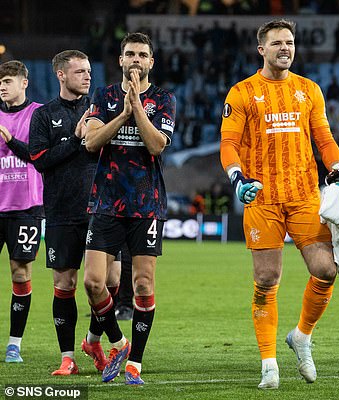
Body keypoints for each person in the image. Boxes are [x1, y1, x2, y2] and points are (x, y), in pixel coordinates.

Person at [220, 19, 339, 390]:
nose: (285, 48)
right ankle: (269, 363)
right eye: (277, 43)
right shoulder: (242, 92)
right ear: (262, 49)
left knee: (326, 270)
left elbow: (323, 138)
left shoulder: (309, 90)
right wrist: (238, 178)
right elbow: (228, 144)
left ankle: (302, 336)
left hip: (305, 194)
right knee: (266, 279)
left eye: (289, 42)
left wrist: (338, 167)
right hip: (262, 199)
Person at [83, 32, 176, 385]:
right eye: (130, 54)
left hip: (146, 203)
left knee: (141, 283)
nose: (136, 59)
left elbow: (155, 146)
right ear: (121, 60)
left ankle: (134, 363)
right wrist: (123, 114)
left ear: (151, 62)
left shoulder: (164, 99)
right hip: (106, 200)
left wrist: (137, 106)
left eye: (142, 55)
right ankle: (119, 343)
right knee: (93, 282)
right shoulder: (104, 96)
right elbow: (91, 142)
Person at [28, 50, 120, 375]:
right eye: (80, 71)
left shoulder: (101, 111)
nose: (87, 76)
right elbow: (38, 159)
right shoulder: (43, 115)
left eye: (89, 71)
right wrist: (75, 139)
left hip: (101, 210)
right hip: (61, 211)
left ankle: (94, 340)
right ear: (61, 75)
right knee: (64, 283)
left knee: (110, 280)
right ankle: (68, 357)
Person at [0, 60, 43, 363]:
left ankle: (14, 344)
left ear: (24, 83)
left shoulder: (38, 115)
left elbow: (38, 155)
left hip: (26, 208)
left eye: (8, 80)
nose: (2, 86)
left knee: (20, 272)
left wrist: (10, 140)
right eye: (0, 82)